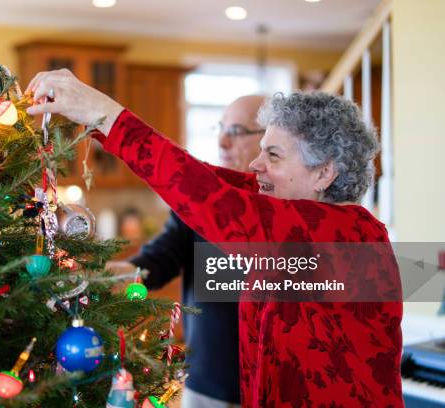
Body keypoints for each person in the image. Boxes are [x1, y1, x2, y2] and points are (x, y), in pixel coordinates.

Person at [26, 69, 403, 407]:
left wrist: (103, 114)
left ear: (324, 173)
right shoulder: (286, 216)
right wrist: (102, 126)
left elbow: (210, 198)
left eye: (273, 155)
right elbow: (207, 179)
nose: (256, 165)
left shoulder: (348, 232)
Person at [107, 95, 266, 408]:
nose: (222, 140)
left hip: (275, 391)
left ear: (270, 140)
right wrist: (107, 277)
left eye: (235, 131)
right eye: (220, 128)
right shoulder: (199, 203)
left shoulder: (290, 209)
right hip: (207, 387)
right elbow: (155, 263)